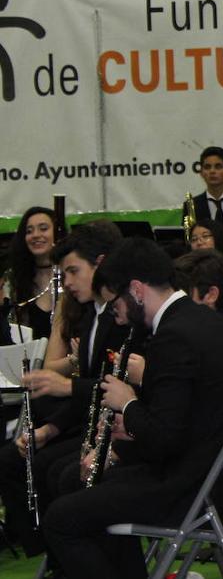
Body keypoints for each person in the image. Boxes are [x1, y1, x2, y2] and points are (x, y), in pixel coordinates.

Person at [41, 237, 223, 579]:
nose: (116, 317)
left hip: (190, 486)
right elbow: (183, 417)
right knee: (79, 480)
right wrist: (125, 435)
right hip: (222, 478)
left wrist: (127, 404)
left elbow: (166, 440)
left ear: (136, 290)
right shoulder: (207, 321)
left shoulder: (173, 336)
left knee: (60, 518)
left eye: (115, 303)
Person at [0, 223, 125, 558]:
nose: (66, 283)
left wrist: (66, 385)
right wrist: (47, 430)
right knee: (29, 461)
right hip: (92, 424)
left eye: (72, 272)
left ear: (100, 264)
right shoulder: (90, 316)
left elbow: (109, 389)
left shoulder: (119, 316)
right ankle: (53, 553)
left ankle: (70, 553)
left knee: (58, 472)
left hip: (120, 433)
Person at [3, 206, 58, 340]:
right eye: (29, 231)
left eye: (43, 228)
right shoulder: (12, 280)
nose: (36, 235)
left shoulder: (70, 276)